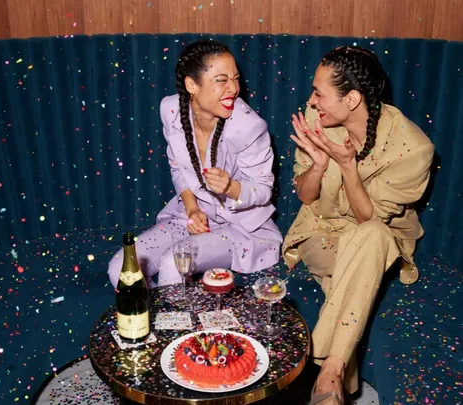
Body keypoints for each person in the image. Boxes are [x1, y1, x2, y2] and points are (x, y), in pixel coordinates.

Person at [283, 46, 434, 404]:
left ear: (352, 98)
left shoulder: (413, 149)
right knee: (361, 258)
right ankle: (334, 376)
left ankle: (328, 377)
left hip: (377, 236)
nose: (311, 100)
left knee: (373, 235)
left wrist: (348, 166)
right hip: (321, 231)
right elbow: (305, 196)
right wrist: (318, 166)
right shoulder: (317, 118)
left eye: (319, 92)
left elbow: (370, 220)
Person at [108, 39, 282, 288]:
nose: (233, 88)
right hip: (190, 216)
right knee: (122, 269)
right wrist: (191, 209)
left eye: (235, 79)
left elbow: (264, 190)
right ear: (192, 85)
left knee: (173, 263)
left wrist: (231, 187)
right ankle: (154, 320)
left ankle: (175, 325)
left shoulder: (248, 127)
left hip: (239, 227)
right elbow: (178, 167)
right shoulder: (171, 110)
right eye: (222, 80)